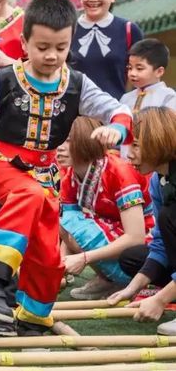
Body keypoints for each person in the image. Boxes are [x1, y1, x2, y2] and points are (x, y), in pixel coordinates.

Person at [0, 0, 133, 336]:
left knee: (46, 255)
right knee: (28, 196)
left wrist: (116, 127)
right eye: (42, 46)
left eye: (60, 46)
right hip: (1, 164)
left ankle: (29, 321)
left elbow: (116, 108)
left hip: (45, 176)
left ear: (70, 43)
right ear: (24, 42)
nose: (51, 55)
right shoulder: (6, 79)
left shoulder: (77, 85)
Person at [60, 117, 153, 300]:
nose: (60, 147)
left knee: (72, 221)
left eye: (68, 140)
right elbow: (66, 228)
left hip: (145, 245)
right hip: (113, 234)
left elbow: (136, 237)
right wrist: (60, 267)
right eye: (59, 139)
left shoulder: (119, 172)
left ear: (87, 140)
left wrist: (84, 258)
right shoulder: (69, 176)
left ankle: (127, 281)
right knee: (61, 218)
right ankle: (106, 279)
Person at [107, 107, 176, 335]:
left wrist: (161, 299)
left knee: (169, 214)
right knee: (133, 258)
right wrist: (132, 288)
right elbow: (160, 243)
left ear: (158, 140)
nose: (128, 155)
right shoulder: (159, 180)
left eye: (136, 145)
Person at [70, 0, 143, 98]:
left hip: (116, 112)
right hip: (73, 113)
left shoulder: (129, 30)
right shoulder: (67, 29)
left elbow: (143, 73)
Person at [121, 38, 176, 113]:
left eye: (139, 68)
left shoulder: (169, 96)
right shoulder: (125, 98)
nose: (132, 73)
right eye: (130, 68)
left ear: (159, 72)